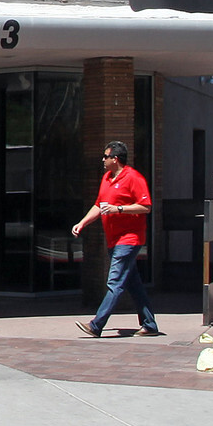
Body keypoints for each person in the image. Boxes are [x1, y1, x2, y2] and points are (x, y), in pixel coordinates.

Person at [71, 141, 159, 338]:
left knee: (115, 282)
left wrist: (119, 209)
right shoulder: (106, 179)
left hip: (129, 240)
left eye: (106, 156)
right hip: (114, 240)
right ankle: (150, 324)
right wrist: (83, 223)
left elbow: (146, 206)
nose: (103, 160)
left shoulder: (134, 178)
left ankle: (96, 324)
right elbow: (98, 205)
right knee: (133, 284)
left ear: (115, 159)